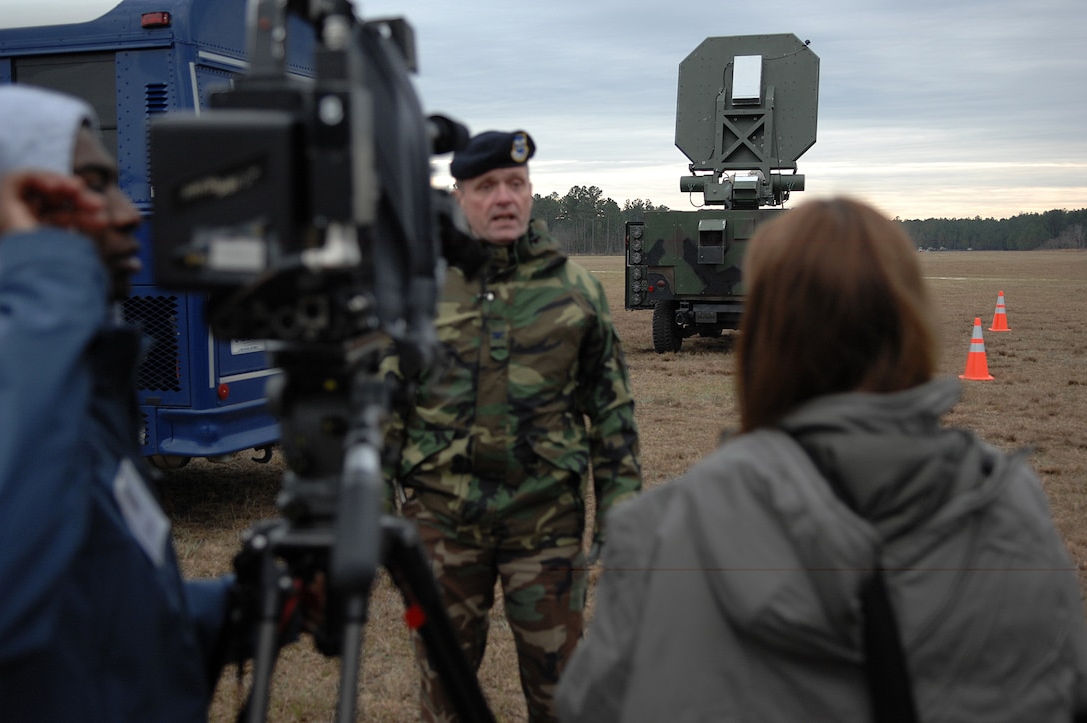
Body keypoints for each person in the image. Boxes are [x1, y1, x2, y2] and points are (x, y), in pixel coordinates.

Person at [556, 197, 1087, 722]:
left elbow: (592, 704)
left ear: (764, 339)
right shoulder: (1013, 511)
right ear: (912, 327)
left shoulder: (667, 530)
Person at [383, 130, 642, 722]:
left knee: (560, 693)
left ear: (530, 192)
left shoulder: (574, 290)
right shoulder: (422, 292)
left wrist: (621, 511)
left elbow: (612, 412)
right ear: (459, 196)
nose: (504, 198)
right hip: (443, 524)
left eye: (516, 184)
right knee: (443, 690)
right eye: (487, 186)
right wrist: (378, 521)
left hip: (544, 521)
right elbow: (382, 410)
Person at [0, 84, 238, 721]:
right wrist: (49, 272)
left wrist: (241, 605)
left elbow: (97, 623)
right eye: (92, 185)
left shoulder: (76, 382)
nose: (129, 213)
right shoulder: (35, 374)